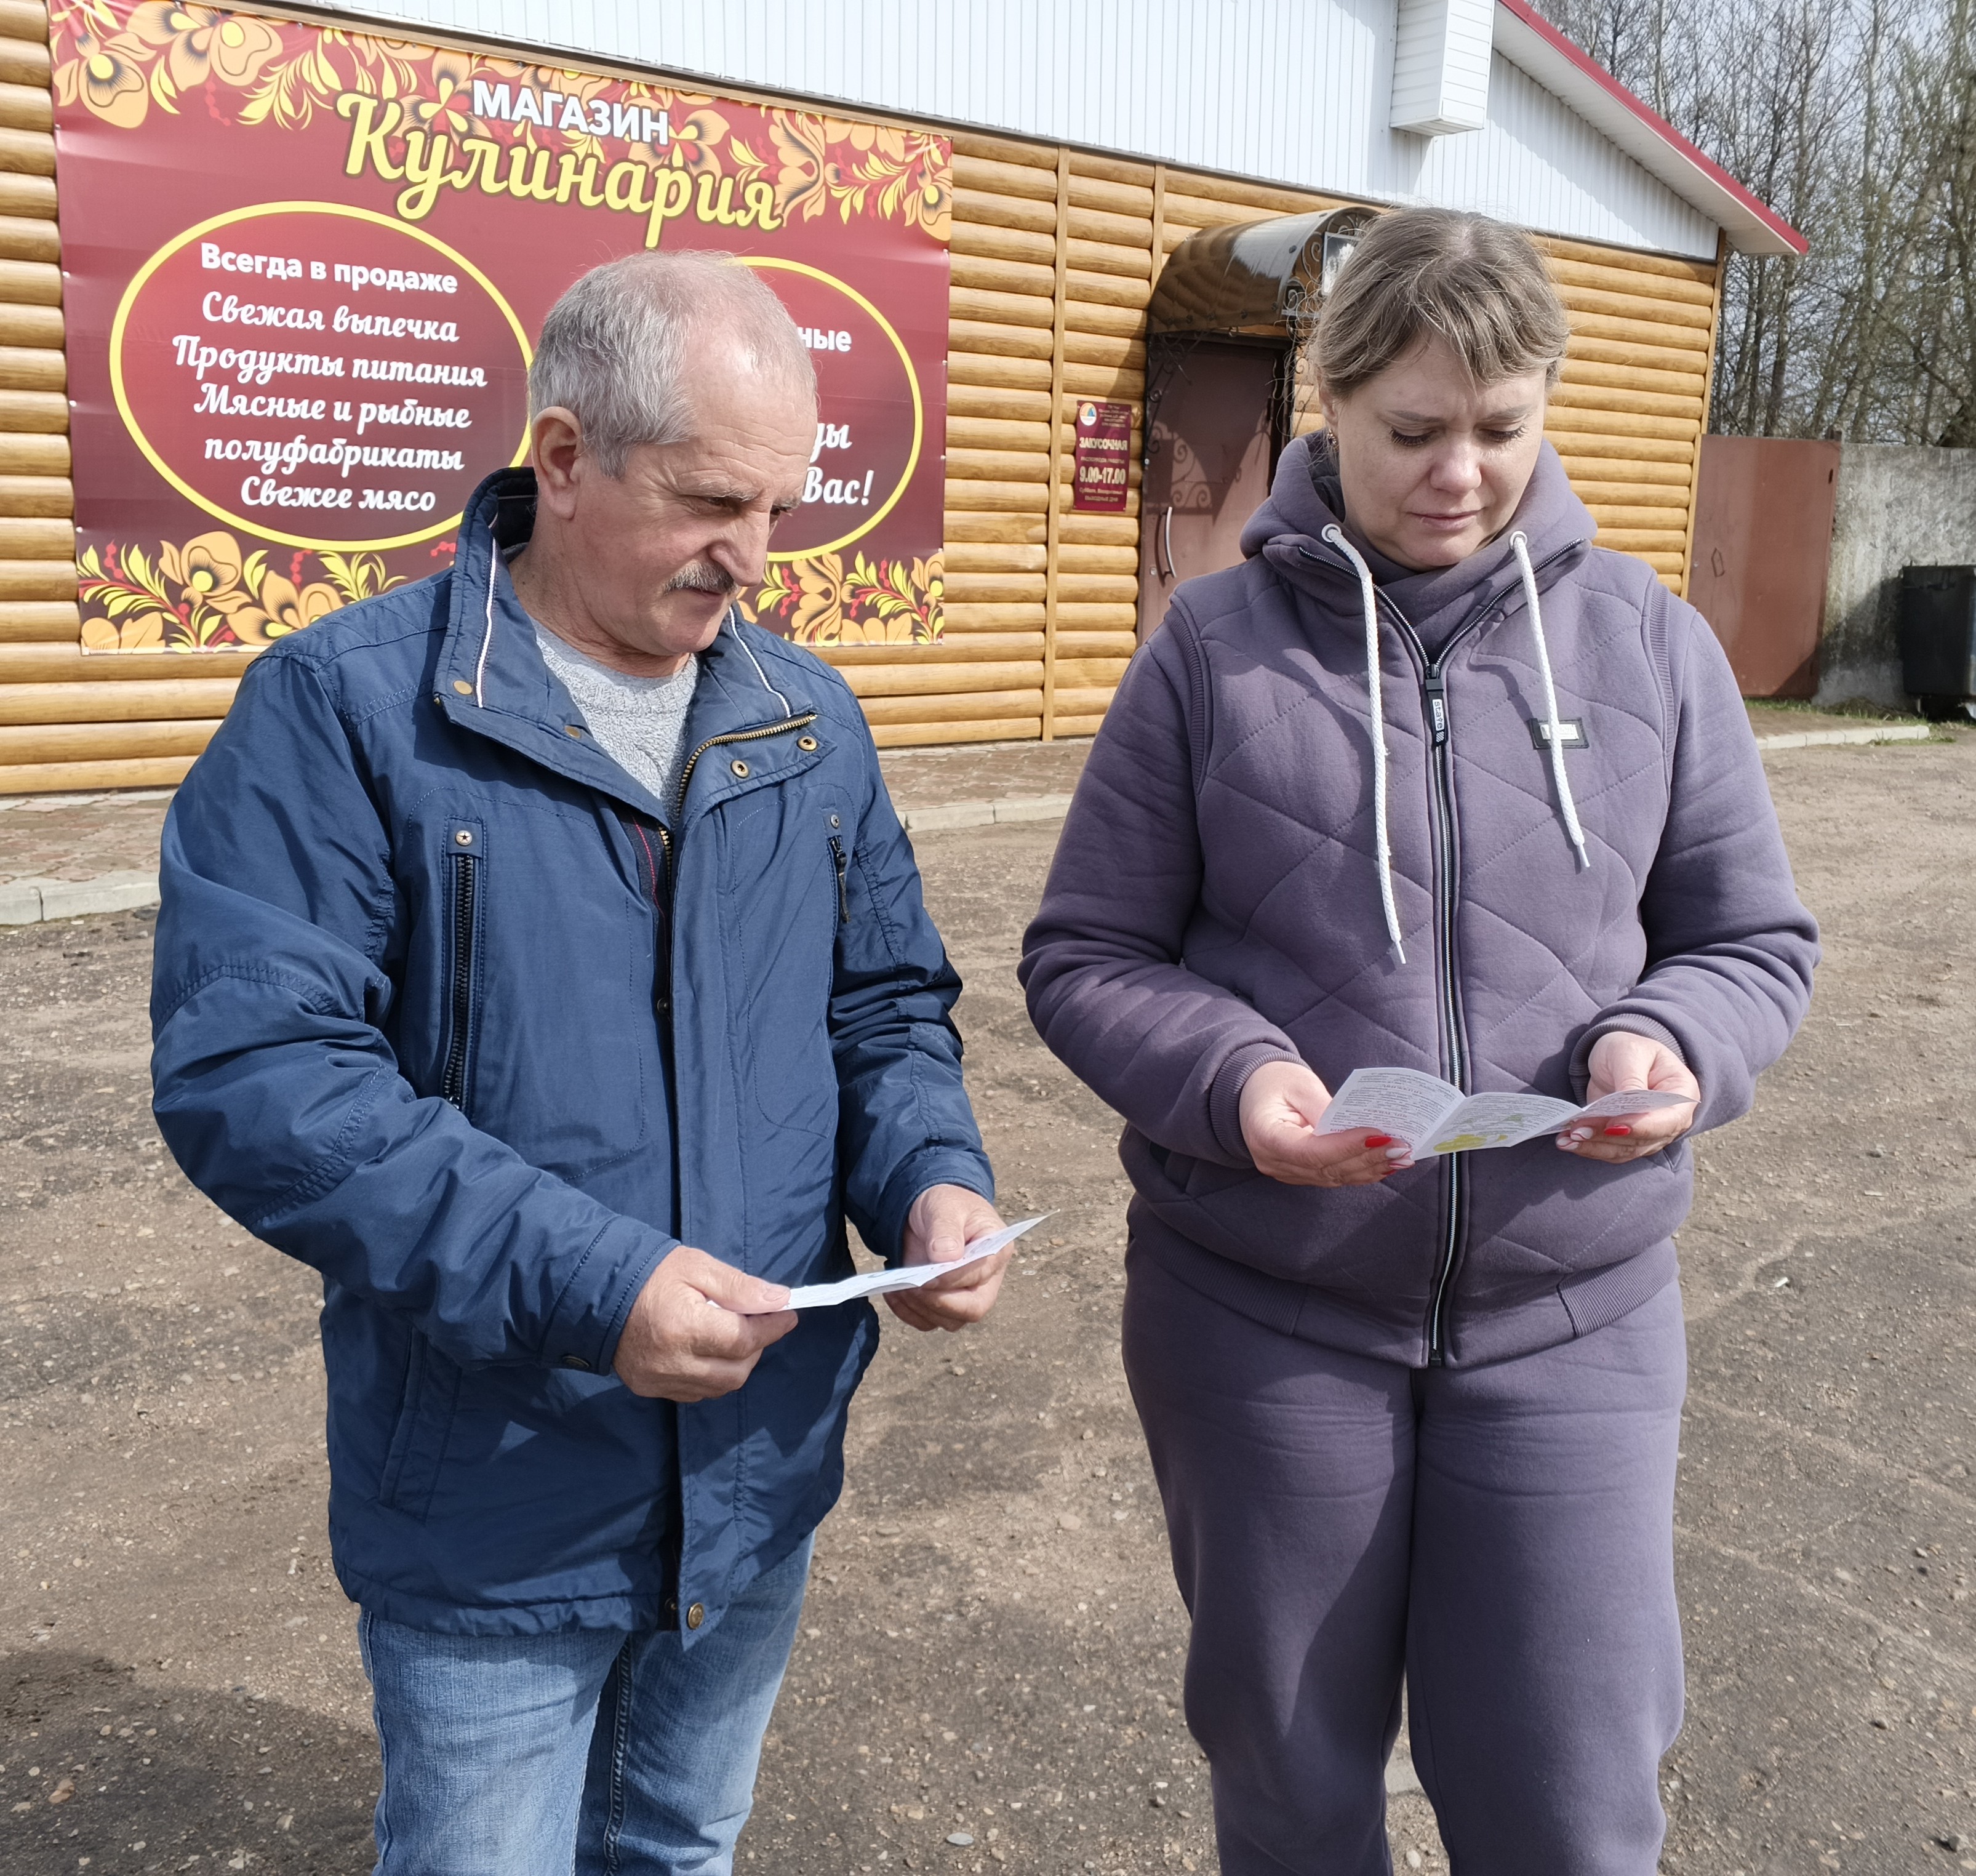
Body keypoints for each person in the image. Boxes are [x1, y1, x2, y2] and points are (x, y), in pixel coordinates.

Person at [150, 251, 1010, 1875]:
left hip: (754, 1467)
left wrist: (929, 1176)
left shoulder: (806, 721)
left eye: (779, 507)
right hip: (497, 1481)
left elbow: (883, 1006)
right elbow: (264, 1077)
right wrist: (595, 1284)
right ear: (562, 457)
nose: (752, 559)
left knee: (677, 1841)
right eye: (710, 503)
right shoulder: (344, 713)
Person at [1020, 208, 1818, 1874]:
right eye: (1413, 430)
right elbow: (1087, 954)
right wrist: (1237, 1082)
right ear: (1330, 405)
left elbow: (1751, 942)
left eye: (1501, 428)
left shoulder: (1652, 647)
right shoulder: (1208, 654)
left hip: (1572, 1320)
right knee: (1294, 1792)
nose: (1460, 473)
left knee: (1572, 1804)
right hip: (1264, 1317)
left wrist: (1669, 1039)